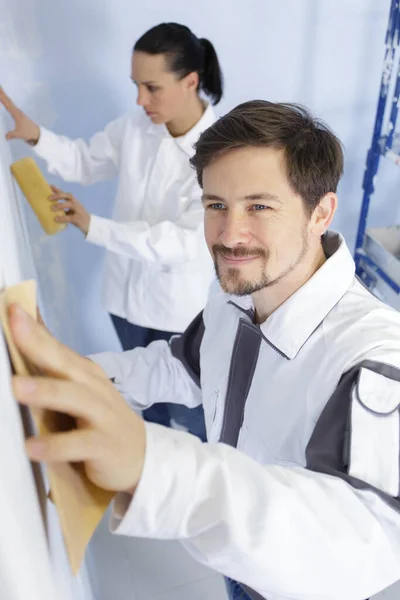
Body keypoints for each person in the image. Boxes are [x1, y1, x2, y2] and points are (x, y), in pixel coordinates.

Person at [9, 101, 400, 600]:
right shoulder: (237, 294)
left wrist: (153, 464)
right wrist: (78, 377)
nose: (229, 236)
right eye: (216, 205)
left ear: (319, 213)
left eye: (259, 206)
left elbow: (349, 550)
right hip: (234, 563)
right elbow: (183, 364)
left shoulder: (376, 358)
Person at [0, 23, 224, 441]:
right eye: (136, 86)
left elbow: (180, 242)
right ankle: (151, 474)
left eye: (151, 87)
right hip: (123, 301)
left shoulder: (219, 153)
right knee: (146, 409)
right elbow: (87, 162)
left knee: (189, 415)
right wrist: (37, 136)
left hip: (174, 313)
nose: (140, 100)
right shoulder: (136, 127)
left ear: (190, 81)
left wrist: (93, 227)